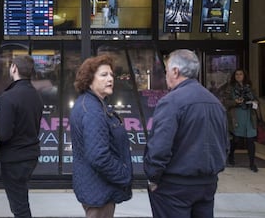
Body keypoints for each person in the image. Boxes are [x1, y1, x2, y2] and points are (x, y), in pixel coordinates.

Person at [143, 49, 228, 218]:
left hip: (174, 187)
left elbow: (160, 147)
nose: (165, 75)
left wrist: (152, 178)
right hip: (207, 185)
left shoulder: (171, 102)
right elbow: (225, 144)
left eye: (166, 70)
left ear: (175, 71)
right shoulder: (215, 102)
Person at [69, 54, 133, 218]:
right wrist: (123, 175)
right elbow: (98, 156)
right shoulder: (93, 111)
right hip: (99, 191)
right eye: (104, 75)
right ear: (89, 79)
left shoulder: (92, 104)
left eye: (111, 75)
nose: (110, 78)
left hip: (96, 188)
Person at [0, 55, 43, 218]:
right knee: (21, 199)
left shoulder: (8, 97)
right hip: (30, 155)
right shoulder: (36, 95)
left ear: (14, 68)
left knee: (19, 207)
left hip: (14, 158)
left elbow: (3, 134)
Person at [225, 69, 259, 172]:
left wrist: (254, 102)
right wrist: (235, 102)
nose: (239, 76)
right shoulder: (230, 88)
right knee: (236, 139)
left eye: (241, 74)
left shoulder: (250, 87)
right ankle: (231, 156)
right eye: (236, 74)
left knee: (250, 140)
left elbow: (257, 100)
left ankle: (252, 163)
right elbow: (226, 102)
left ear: (244, 76)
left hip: (249, 116)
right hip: (237, 116)